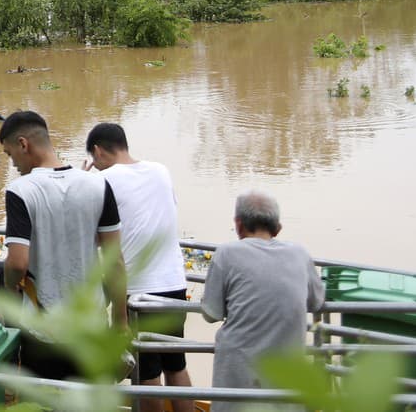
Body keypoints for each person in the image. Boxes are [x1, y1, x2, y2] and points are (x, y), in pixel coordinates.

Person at [0, 110, 127, 380]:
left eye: (10, 155)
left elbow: (18, 263)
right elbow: (114, 261)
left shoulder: (21, 190)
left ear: (23, 144)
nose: (12, 164)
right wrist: (121, 322)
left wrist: (10, 294)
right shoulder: (98, 184)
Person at [86, 122, 194, 412]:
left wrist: (82, 185)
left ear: (97, 151)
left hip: (139, 292)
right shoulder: (161, 171)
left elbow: (96, 239)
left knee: (146, 375)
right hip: (173, 283)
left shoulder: (103, 181)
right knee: (176, 365)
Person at [201, 191, 325, 412]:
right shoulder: (300, 253)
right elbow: (316, 302)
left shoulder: (227, 253)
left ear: (238, 225)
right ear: (277, 227)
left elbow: (211, 313)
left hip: (238, 376)